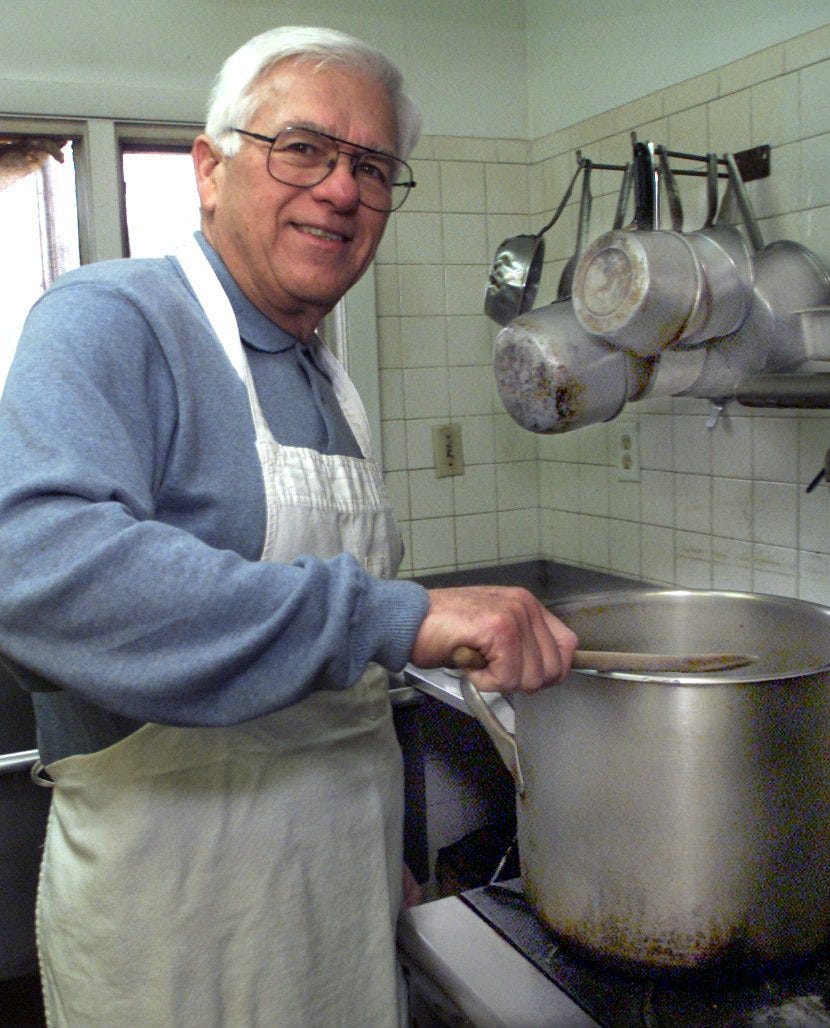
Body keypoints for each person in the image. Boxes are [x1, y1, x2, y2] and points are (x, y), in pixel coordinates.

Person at [0, 25, 576, 1026]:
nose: (341, 188)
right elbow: (38, 572)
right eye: (302, 148)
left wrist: (379, 859)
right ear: (209, 169)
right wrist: (397, 613)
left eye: (372, 166)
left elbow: (337, 705)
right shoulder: (114, 317)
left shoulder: (324, 378)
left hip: (334, 909)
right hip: (178, 930)